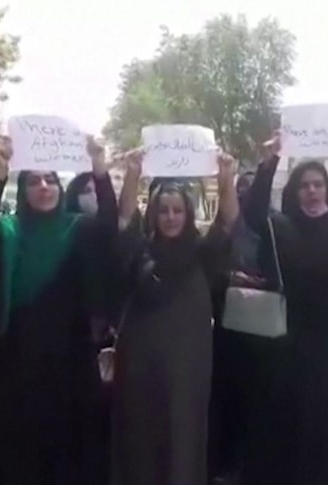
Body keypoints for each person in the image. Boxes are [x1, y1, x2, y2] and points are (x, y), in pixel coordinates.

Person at [0, 136, 116, 484]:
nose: (44, 186)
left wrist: (99, 169)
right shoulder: (9, 229)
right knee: (19, 446)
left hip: (69, 357)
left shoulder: (77, 227)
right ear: (23, 190)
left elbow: (110, 222)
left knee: (67, 445)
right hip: (17, 357)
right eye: (33, 181)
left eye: (50, 179)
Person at [240, 134, 328, 485]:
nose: (312, 191)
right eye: (305, 185)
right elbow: (253, 211)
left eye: (319, 184)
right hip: (288, 351)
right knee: (288, 443)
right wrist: (271, 161)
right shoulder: (281, 228)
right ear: (295, 191)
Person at [111, 148, 239, 485]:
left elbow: (228, 221)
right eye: (164, 210)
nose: (170, 217)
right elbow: (124, 220)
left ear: (188, 213)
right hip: (140, 372)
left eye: (177, 210)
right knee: (140, 446)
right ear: (153, 214)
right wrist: (133, 175)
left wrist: (226, 179)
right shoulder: (139, 251)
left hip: (187, 374)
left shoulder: (203, 253)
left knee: (184, 444)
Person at [207, 170, 274, 483]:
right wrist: (228, 279)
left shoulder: (275, 228)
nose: (247, 192)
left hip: (263, 339)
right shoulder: (220, 233)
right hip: (228, 333)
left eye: (252, 186)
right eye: (240, 186)